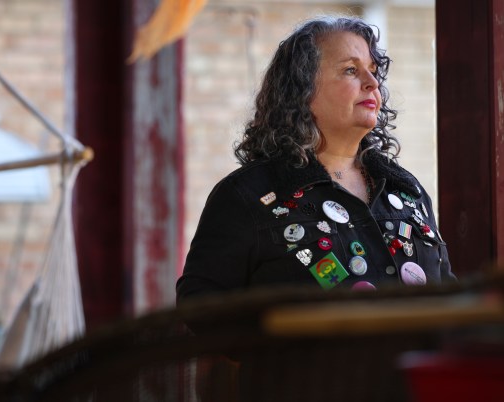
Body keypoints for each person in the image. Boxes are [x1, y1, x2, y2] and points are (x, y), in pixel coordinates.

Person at [177, 15, 455, 301]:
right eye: (350, 70)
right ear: (301, 89)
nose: (372, 83)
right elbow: (202, 313)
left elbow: (448, 300)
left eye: (373, 71)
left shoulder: (407, 191)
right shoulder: (246, 195)